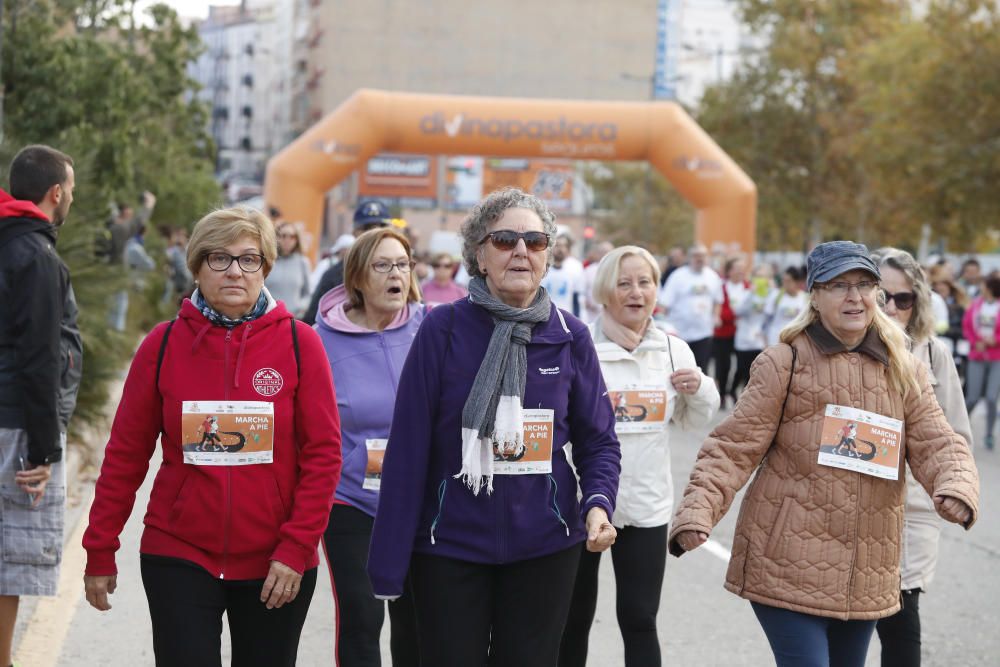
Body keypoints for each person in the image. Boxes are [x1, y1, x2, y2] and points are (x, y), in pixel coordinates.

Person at [669, 240, 980, 667]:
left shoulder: (905, 366)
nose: (855, 297)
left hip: (867, 568)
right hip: (788, 561)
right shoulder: (784, 362)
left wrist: (956, 485)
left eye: (864, 285)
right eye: (839, 285)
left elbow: (938, 441)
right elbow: (732, 446)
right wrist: (696, 511)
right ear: (815, 296)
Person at [367, 187, 621, 667]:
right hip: (449, 548)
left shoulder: (570, 336)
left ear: (548, 256)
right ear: (479, 256)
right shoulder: (442, 330)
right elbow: (408, 449)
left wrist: (598, 503)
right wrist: (389, 561)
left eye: (535, 241)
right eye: (505, 240)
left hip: (546, 546)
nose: (521, 250)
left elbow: (599, 442)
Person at [82, 207, 343, 667]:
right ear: (197, 267)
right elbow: (125, 455)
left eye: (249, 259)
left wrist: (296, 546)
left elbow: (323, 456)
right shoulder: (161, 346)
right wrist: (100, 546)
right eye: (219, 258)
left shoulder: (302, 345)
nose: (235, 271)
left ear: (266, 267)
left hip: (275, 559)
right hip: (178, 551)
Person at [559, 246, 719, 667]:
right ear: (604, 292)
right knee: (572, 619)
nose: (635, 292)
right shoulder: (578, 346)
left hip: (647, 506)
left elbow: (694, 420)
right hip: (583, 504)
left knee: (640, 618)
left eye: (644, 282)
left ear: (656, 290)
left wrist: (700, 387)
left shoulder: (672, 350)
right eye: (624, 283)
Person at [314, 227, 423, 665]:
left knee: (416, 620)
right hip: (351, 499)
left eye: (402, 264)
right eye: (383, 265)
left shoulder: (429, 327)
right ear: (357, 277)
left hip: (417, 498)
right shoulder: (320, 342)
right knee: (362, 614)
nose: (395, 274)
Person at [872, 247, 974, 667]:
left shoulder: (932, 353)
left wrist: (955, 487)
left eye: (904, 299)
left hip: (912, 510)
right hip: (845, 508)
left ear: (918, 302)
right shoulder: (835, 350)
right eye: (883, 297)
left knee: (901, 617)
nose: (893, 308)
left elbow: (957, 437)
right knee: (844, 625)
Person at [0, 144, 80, 667]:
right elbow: (39, 357)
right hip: (15, 425)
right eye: (70, 189)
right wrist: (45, 451)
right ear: (56, 194)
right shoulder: (37, 256)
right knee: (10, 558)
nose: (71, 197)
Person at [302, 200, 392, 325]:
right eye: (367, 228)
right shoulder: (334, 275)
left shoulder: (402, 270)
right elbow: (312, 320)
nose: (374, 233)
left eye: (381, 227)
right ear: (354, 232)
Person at [657, 243, 723, 371]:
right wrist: (661, 324)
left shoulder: (713, 276)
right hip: (680, 333)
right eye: (696, 256)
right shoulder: (678, 276)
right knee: (678, 369)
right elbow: (664, 303)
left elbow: (718, 300)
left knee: (700, 370)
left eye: (703, 255)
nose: (700, 259)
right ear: (689, 258)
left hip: (703, 332)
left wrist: (716, 316)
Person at [104, 191, 157, 331]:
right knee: (115, 319)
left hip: (105, 282)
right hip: (114, 282)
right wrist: (149, 205)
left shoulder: (104, 231)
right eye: (125, 217)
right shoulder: (117, 231)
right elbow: (138, 222)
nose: (127, 221)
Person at [962, 272, 1000, 450]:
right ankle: (960, 430)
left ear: (991, 288)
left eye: (984, 285)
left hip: (996, 358)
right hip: (976, 356)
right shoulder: (976, 305)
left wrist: (996, 340)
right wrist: (975, 341)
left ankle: (989, 434)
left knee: (992, 398)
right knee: (972, 398)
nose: (981, 288)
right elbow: (967, 326)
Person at [731, 263, 773, 398]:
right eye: (758, 277)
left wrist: (772, 292)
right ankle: (732, 391)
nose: (760, 280)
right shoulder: (746, 293)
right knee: (742, 370)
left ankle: (750, 399)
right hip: (744, 338)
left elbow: (771, 315)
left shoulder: (772, 294)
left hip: (760, 340)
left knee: (756, 372)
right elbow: (738, 311)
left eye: (763, 277)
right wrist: (751, 294)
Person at [713, 256, 749, 408]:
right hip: (723, 332)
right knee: (723, 365)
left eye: (742, 268)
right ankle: (721, 394)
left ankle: (733, 390)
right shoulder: (721, 286)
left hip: (744, 334)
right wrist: (734, 315)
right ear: (729, 271)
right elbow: (719, 310)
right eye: (736, 268)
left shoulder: (749, 287)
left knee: (742, 366)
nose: (740, 271)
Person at [265, 221, 312, 318]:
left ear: (297, 240)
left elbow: (308, 294)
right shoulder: (267, 260)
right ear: (276, 238)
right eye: (283, 236)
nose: (287, 240)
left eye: (292, 236)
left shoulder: (303, 262)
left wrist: (300, 307)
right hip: (268, 318)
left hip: (295, 319)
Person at [542, 229, 585, 317]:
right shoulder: (542, 267)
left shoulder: (576, 267)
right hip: (544, 317)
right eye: (557, 245)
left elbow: (576, 298)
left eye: (564, 246)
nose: (560, 249)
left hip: (566, 317)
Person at [763, 265, 808, 347]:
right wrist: (765, 343)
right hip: (775, 342)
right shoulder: (776, 296)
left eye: (788, 281)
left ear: (797, 282)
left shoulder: (804, 298)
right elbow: (766, 321)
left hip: (795, 343)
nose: (785, 284)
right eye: (783, 280)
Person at [581, 240, 615, 323]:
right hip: (591, 317)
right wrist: (589, 304)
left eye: (609, 252)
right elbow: (581, 293)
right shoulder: (588, 271)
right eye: (603, 252)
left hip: (612, 318)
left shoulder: (617, 271)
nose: (606, 255)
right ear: (598, 253)